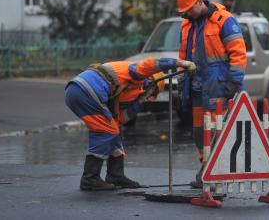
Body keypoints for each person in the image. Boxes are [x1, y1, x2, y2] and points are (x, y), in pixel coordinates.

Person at [65, 57, 196, 191]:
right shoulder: (137, 73)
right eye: (152, 90)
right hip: (86, 90)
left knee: (115, 131)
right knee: (107, 131)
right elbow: (149, 64)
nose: (149, 94)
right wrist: (178, 63)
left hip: (78, 91)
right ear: (150, 80)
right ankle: (90, 178)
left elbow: (120, 118)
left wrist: (140, 101)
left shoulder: (125, 88)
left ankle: (116, 175)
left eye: (153, 93)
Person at [176, 0, 247, 188]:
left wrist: (234, 84)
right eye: (185, 10)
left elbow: (238, 55)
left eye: (190, 9)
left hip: (219, 88)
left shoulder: (224, 21)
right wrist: (182, 84)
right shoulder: (187, 24)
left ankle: (210, 174)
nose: (187, 13)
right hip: (197, 88)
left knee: (216, 133)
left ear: (199, 1)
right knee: (200, 133)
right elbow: (183, 56)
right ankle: (206, 168)